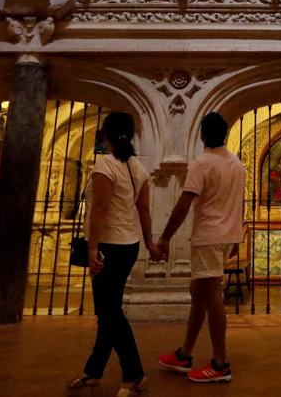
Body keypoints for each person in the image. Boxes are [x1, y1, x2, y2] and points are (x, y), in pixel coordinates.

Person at [68, 112, 159, 394]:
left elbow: (100, 208)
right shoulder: (138, 168)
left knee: (109, 311)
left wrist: (93, 247)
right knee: (108, 311)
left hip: (108, 245)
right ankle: (94, 370)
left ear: (106, 135)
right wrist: (150, 242)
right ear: (130, 136)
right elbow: (143, 209)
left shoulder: (105, 165)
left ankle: (134, 373)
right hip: (129, 244)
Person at [155, 113, 245, 384]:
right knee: (199, 292)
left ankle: (220, 362)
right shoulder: (237, 164)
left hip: (208, 236)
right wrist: (236, 238)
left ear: (203, 135)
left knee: (212, 296)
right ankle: (185, 353)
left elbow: (183, 204)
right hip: (226, 235)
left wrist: (164, 238)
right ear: (225, 135)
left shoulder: (202, 164)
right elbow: (239, 204)